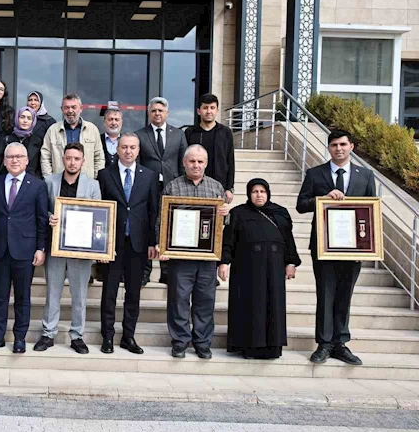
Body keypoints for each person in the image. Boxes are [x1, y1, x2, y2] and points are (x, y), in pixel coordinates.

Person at [296, 129, 376, 366]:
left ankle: (340, 343)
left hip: (353, 248)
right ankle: (324, 343)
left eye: (343, 144)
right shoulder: (315, 174)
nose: (338, 149)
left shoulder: (366, 176)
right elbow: (301, 205)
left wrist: (368, 246)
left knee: (344, 295)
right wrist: (323, 198)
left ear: (351, 146)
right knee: (326, 293)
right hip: (323, 246)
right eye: (333, 145)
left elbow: (370, 211)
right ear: (328, 148)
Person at [156, 144, 229, 360]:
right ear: (184, 163)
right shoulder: (172, 187)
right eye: (192, 161)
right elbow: (163, 218)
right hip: (180, 256)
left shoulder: (216, 188)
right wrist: (162, 244)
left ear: (206, 164)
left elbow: (223, 224)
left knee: (205, 300)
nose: (196, 165)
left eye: (200, 162)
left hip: (206, 257)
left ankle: (202, 343)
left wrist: (226, 212)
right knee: (178, 299)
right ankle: (180, 341)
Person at [219, 179, 301, 359]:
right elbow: (228, 241)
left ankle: (271, 348)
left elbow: (289, 241)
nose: (259, 195)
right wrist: (224, 262)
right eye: (255, 191)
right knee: (249, 305)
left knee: (273, 306)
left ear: (268, 193)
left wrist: (291, 263)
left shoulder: (280, 213)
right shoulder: (238, 213)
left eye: (262, 191)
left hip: (274, 267)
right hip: (246, 270)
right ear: (249, 194)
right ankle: (248, 347)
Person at [34, 143, 101, 355]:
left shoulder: (92, 185)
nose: (72, 162)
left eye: (76, 158)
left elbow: (99, 215)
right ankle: (48, 333)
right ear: (63, 159)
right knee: (53, 292)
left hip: (81, 250)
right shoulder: (49, 182)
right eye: (69, 158)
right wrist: (48, 217)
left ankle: (77, 335)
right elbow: (40, 208)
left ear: (83, 160)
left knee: (79, 295)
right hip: (55, 246)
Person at [0, 142, 48, 354]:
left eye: (19, 156)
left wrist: (41, 248)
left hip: (25, 250)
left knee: (22, 297)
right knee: (0, 296)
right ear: (5, 159)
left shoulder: (37, 185)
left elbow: (41, 219)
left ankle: (20, 338)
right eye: (10, 156)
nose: (15, 160)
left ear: (27, 160)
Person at [97, 133, 157, 355]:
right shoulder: (104, 175)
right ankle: (108, 337)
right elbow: (100, 211)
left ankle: (128, 336)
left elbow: (153, 212)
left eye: (132, 147)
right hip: (113, 243)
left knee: (133, 293)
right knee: (109, 292)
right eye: (124, 147)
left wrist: (153, 242)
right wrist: (101, 244)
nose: (128, 151)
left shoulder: (150, 176)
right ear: (117, 150)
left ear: (138, 150)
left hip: (139, 244)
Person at [136, 97, 188, 285]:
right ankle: (145, 271)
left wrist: (183, 185)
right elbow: (138, 163)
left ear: (167, 113)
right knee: (149, 226)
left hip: (172, 187)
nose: (157, 113)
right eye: (154, 111)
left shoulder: (178, 135)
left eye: (161, 110)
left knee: (169, 227)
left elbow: (183, 162)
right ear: (149, 113)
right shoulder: (140, 135)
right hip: (147, 188)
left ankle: (166, 271)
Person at [185, 93, 235, 204]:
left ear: (217, 110)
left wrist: (229, 188)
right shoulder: (190, 132)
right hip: (194, 184)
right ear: (199, 111)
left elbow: (230, 160)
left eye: (212, 108)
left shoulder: (225, 132)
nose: (208, 111)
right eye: (205, 108)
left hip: (219, 185)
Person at [41, 93, 105, 179]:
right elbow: (45, 157)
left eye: (74, 107)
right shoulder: (52, 130)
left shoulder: (92, 130)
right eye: (66, 107)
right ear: (62, 109)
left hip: (86, 183)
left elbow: (99, 157)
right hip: (60, 184)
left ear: (81, 108)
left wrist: (95, 180)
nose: (70, 111)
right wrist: (49, 180)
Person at [0, 106, 43, 179]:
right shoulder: (6, 139)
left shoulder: (37, 141)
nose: (25, 121)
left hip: (30, 183)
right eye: (22, 117)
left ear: (33, 121)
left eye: (29, 118)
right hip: (6, 181)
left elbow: (39, 166)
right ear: (17, 118)